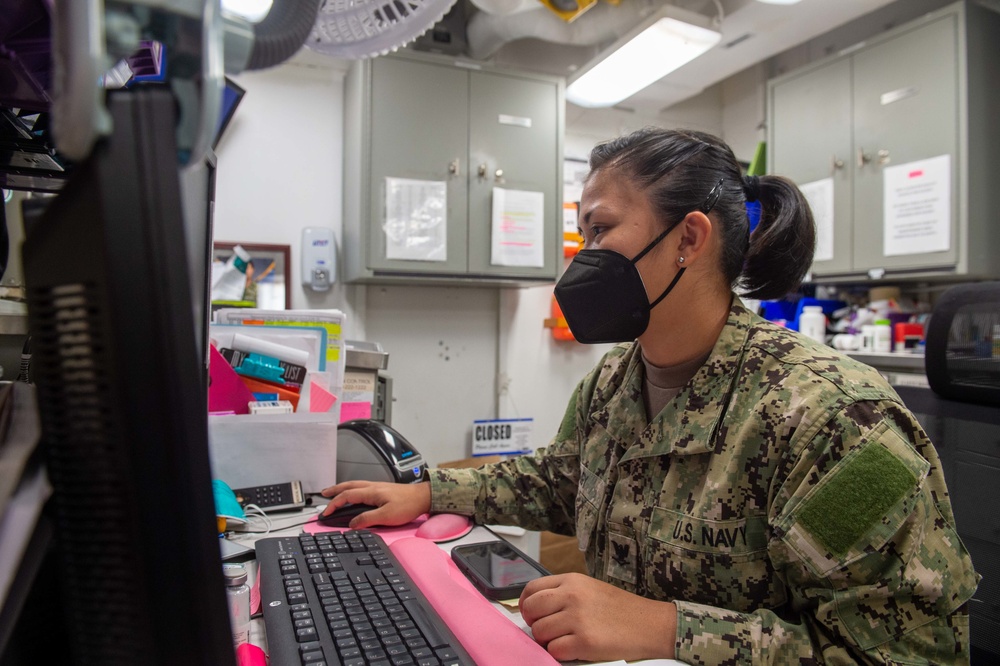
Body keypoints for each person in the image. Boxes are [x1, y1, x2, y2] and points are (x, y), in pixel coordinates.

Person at [322, 127, 978, 665]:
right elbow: (560, 480)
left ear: (689, 240)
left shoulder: (837, 421)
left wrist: (668, 629)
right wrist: (429, 491)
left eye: (602, 231)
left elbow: (907, 657)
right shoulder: (612, 382)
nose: (584, 257)